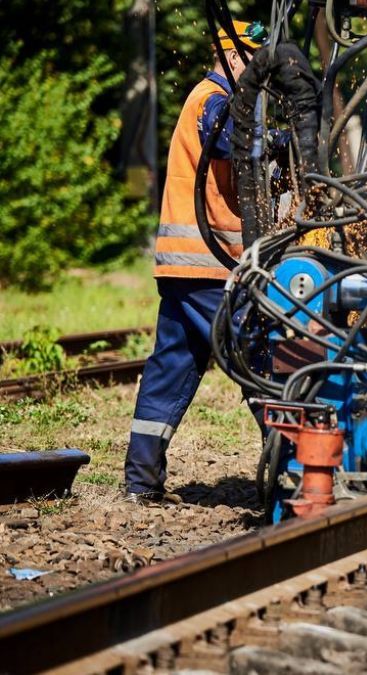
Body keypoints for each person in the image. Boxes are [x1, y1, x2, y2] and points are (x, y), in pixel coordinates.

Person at [123, 20, 268, 504]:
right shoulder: (215, 99)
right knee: (256, 356)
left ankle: (140, 482)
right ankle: (293, 467)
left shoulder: (216, 98)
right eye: (253, 59)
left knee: (171, 368)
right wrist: (283, 145)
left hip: (184, 267)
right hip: (209, 265)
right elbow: (233, 148)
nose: (259, 70)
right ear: (232, 56)